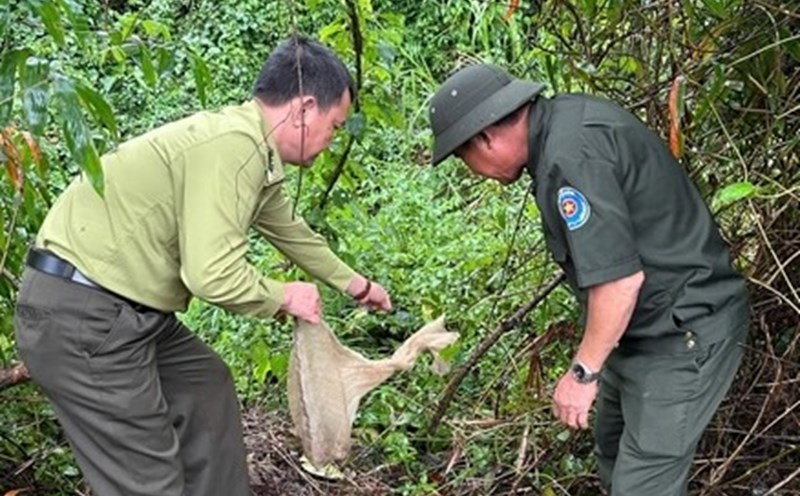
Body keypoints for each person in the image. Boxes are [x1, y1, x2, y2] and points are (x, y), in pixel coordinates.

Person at [14, 36, 391, 496]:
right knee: (148, 480)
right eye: (335, 127)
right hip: (84, 315)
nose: (332, 142)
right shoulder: (234, 146)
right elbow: (210, 273)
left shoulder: (254, 150)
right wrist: (283, 295)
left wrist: (356, 285)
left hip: (125, 313)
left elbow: (290, 231)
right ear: (306, 107)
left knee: (204, 389)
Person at [428, 63, 749, 495]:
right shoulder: (564, 125)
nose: (473, 172)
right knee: (613, 453)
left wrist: (582, 374)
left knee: (642, 486)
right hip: (639, 333)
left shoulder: (570, 156)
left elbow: (620, 282)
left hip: (683, 332)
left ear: (485, 137)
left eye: (465, 159)